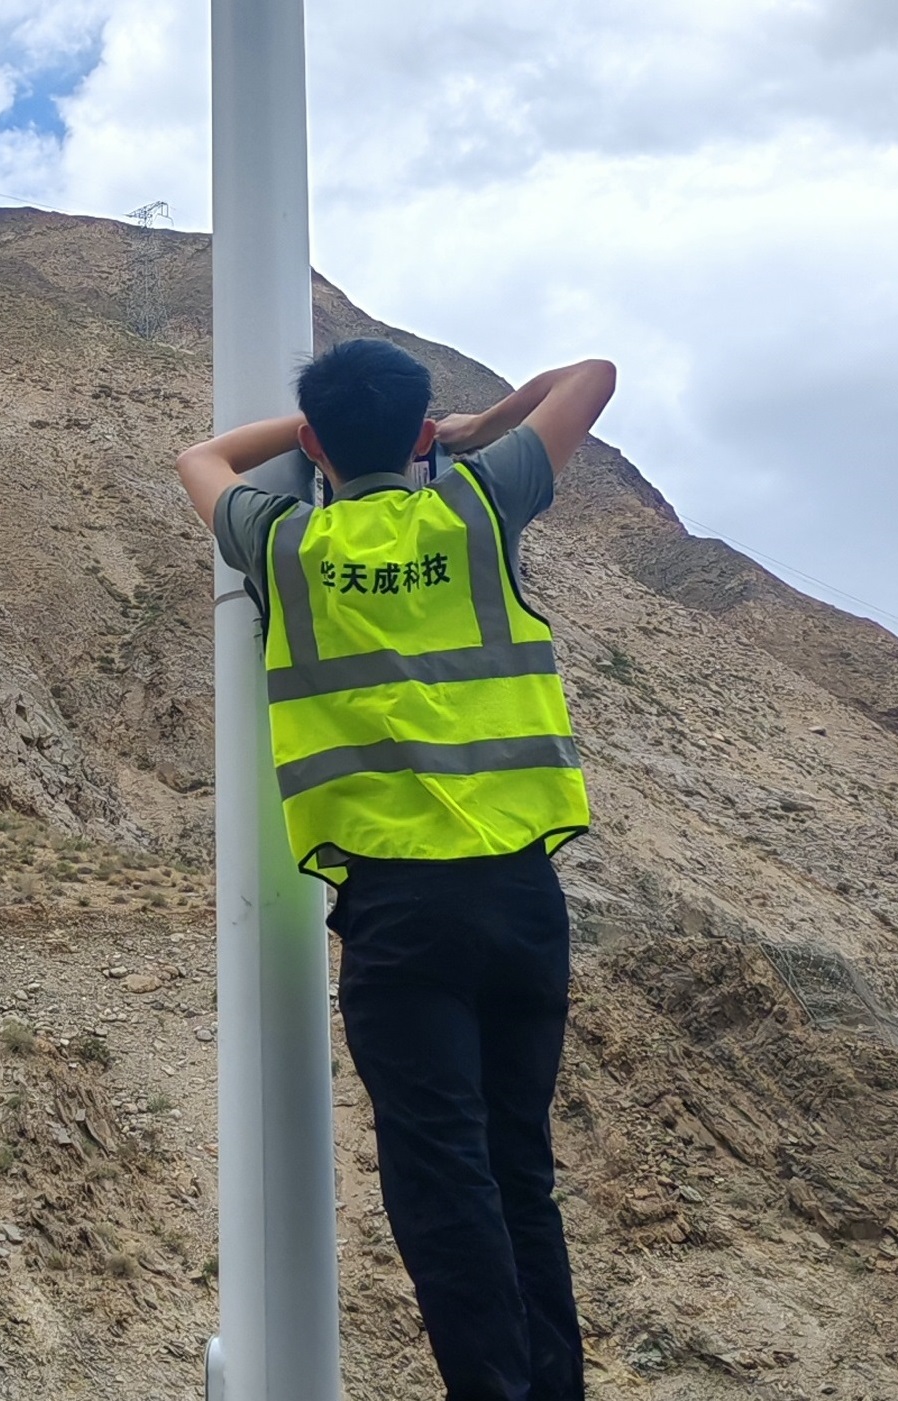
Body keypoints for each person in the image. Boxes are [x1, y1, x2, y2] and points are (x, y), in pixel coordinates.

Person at [176, 339, 617, 1401]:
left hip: (399, 919)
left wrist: (312, 436)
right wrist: (470, 427)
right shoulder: (473, 508)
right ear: (421, 434)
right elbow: (590, 376)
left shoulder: (284, 546)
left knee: (441, 1185)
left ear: (318, 445)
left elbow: (201, 457)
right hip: (520, 898)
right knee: (519, 1174)